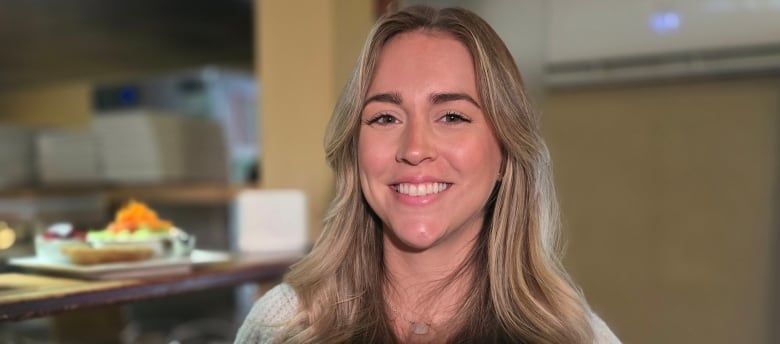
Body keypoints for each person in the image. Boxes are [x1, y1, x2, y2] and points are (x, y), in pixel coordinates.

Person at [236, 5, 620, 344]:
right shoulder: (282, 326)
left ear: (505, 152)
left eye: (452, 116)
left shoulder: (574, 336)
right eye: (385, 117)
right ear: (354, 152)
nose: (415, 149)